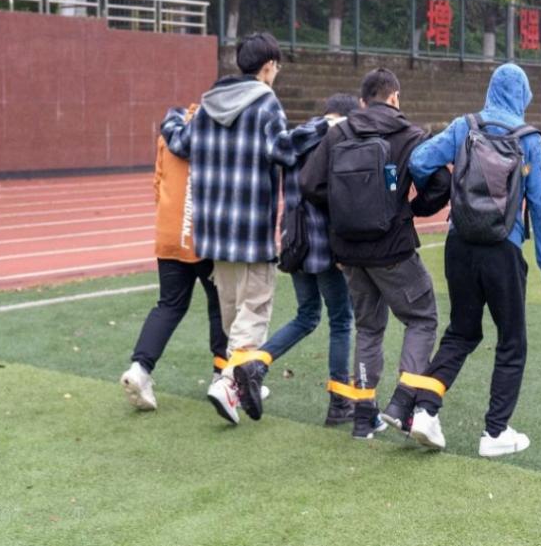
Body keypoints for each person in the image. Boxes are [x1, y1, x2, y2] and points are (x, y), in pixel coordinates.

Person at [384, 63, 541, 458]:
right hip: (503, 250)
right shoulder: (529, 139)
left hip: (459, 244)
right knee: (511, 340)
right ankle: (495, 432)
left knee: (462, 331)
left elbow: (420, 161)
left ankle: (426, 411)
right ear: (523, 95)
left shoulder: (464, 127)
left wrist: (447, 186)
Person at [162, 32, 317, 425]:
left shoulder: (208, 103)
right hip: (250, 229)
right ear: (268, 67)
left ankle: (235, 383)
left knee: (233, 312)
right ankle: (230, 381)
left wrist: (171, 117)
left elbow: (180, 142)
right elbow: (283, 149)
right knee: (256, 309)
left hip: (213, 230)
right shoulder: (265, 102)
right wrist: (322, 127)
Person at [300, 67, 451, 440]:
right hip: (392, 248)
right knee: (422, 318)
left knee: (368, 327)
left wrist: (345, 209)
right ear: (395, 97)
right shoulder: (410, 134)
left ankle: (364, 416)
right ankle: (403, 400)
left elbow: (310, 183)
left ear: (363, 101)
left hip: (350, 251)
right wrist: (412, 209)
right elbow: (441, 183)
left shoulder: (339, 133)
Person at [254, 94, 359, 425]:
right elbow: (339, 199)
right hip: (325, 246)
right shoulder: (335, 141)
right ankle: (339, 401)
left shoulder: (296, 139)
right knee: (341, 320)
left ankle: (256, 364)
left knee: (306, 315)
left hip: (295, 242)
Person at [120, 104, 228, 411]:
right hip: (205, 238)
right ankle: (222, 375)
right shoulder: (216, 133)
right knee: (221, 305)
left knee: (169, 304)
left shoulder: (168, 135)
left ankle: (140, 368)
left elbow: (157, 183)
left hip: (169, 235)